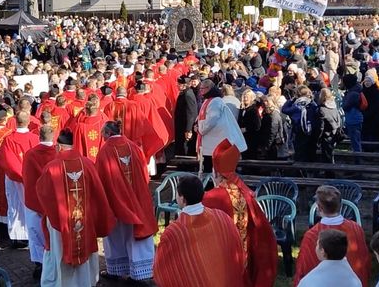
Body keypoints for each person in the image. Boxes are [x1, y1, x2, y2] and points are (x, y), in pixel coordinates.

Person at [35, 128, 116, 287]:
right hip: (84, 218)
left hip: (61, 222)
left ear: (58, 146)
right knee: (85, 249)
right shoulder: (87, 164)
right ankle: (87, 281)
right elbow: (98, 192)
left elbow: (43, 194)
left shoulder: (52, 167)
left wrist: (52, 216)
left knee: (60, 251)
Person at [202, 138, 277, 286]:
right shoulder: (245, 194)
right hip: (242, 255)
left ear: (216, 172)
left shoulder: (210, 198)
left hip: (219, 261)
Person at [153, 174, 245, 287]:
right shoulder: (222, 217)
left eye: (177, 193)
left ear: (182, 198)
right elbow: (238, 250)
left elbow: (162, 271)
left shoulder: (174, 232)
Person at [96, 121, 157, 282]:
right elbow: (145, 173)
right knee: (134, 235)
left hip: (116, 201)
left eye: (103, 133)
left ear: (108, 133)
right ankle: (140, 272)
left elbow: (101, 178)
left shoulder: (105, 151)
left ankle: (116, 270)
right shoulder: (134, 147)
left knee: (116, 236)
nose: (102, 137)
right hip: (137, 198)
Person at [294, 185, 370, 287]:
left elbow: (304, 267)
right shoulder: (356, 228)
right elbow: (363, 261)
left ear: (319, 207)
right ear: (341, 205)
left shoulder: (312, 235)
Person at [0, 111, 38, 246]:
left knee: (14, 205)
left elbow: (4, 159)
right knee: (30, 206)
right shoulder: (34, 139)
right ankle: (30, 235)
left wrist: (16, 172)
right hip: (30, 178)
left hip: (13, 177)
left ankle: (16, 237)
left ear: (15, 121)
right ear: (28, 122)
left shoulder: (8, 139)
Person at [22, 125, 57, 279]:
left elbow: (27, 178)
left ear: (39, 137)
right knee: (54, 234)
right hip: (54, 201)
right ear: (53, 137)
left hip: (35, 200)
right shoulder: (59, 153)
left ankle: (40, 264)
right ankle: (55, 262)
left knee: (36, 233)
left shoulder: (30, 155)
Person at [196, 79, 247, 173]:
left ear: (209, 88)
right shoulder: (209, 101)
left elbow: (211, 121)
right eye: (200, 88)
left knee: (216, 172)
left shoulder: (215, 102)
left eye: (203, 88)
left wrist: (200, 128)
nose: (201, 91)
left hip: (217, 143)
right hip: (212, 144)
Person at [298, 229, 362, 287]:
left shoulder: (309, 281)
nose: (315, 247)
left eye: (317, 244)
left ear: (322, 250)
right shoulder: (355, 281)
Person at [282, 85, 320, 162]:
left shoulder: (296, 106)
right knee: (311, 152)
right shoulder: (312, 104)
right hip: (311, 131)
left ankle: (300, 171)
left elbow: (284, 109)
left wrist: (292, 100)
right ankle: (312, 171)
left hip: (299, 130)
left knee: (299, 152)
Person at [173, 76, 197, 157]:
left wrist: (188, 129)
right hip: (181, 125)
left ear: (184, 85)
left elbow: (191, 113)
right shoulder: (185, 93)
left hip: (184, 126)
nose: (177, 85)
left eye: (179, 84)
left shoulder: (187, 95)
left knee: (185, 147)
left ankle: (186, 166)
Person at [317, 88, 342, 163]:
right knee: (331, 154)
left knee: (327, 156)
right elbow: (339, 120)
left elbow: (321, 126)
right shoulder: (334, 107)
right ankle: (331, 170)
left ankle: (329, 173)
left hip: (326, 135)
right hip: (334, 134)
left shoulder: (322, 109)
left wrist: (318, 138)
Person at [342, 74, 364, 154]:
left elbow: (345, 106)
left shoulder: (353, 93)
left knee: (355, 141)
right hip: (354, 118)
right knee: (355, 140)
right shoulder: (356, 90)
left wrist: (344, 98)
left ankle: (358, 160)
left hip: (353, 119)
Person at [237, 89, 261, 160]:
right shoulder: (242, 109)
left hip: (251, 138)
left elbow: (257, 125)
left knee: (251, 157)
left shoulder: (254, 110)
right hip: (243, 138)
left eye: (247, 97)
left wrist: (246, 129)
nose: (245, 98)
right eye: (244, 96)